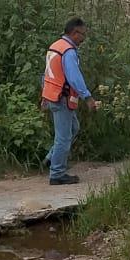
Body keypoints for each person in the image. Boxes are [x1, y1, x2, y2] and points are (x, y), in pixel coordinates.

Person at [41, 17, 100, 185]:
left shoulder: (55, 46)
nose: (84, 38)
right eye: (82, 34)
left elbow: (47, 73)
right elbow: (74, 77)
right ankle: (57, 173)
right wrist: (87, 97)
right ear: (74, 33)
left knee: (74, 128)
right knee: (64, 137)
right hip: (62, 98)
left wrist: (44, 96)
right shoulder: (68, 51)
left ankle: (52, 158)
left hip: (53, 95)